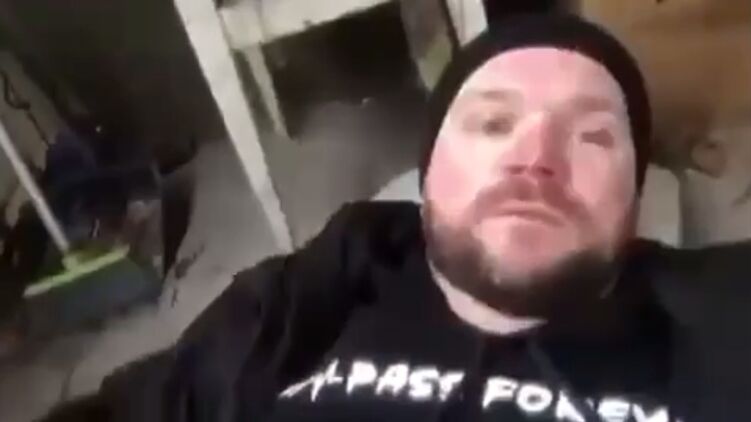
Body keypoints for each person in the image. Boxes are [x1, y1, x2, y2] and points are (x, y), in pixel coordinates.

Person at [41, 14, 751, 422]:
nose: (535, 157)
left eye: (593, 136)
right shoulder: (311, 300)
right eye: (492, 123)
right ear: (428, 176)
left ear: (633, 198)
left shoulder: (718, 320)